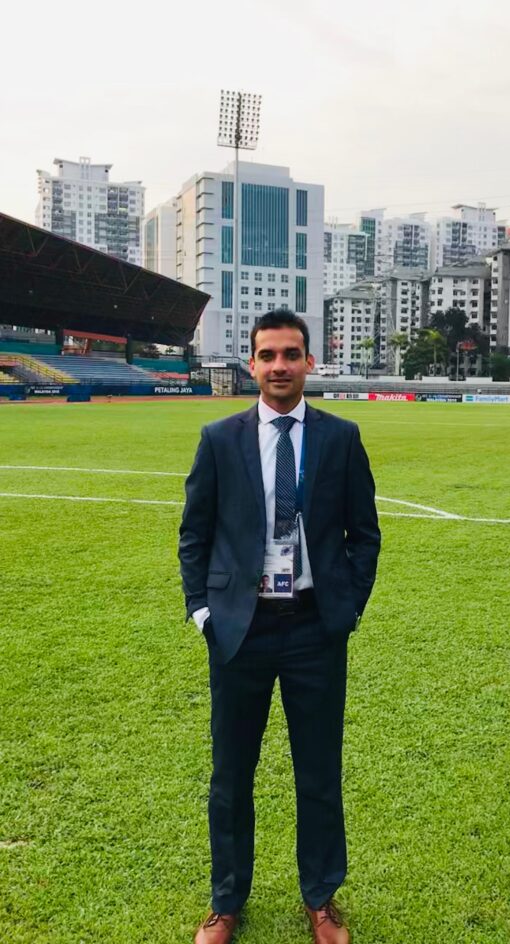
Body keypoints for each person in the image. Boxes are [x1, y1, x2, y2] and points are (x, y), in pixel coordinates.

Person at [179, 309, 380, 944]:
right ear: (252, 364)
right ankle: (226, 901)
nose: (280, 366)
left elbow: (364, 533)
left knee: (318, 772)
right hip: (239, 630)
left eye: (291, 354)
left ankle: (321, 898)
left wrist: (347, 608)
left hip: (315, 630)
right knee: (230, 775)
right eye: (267, 355)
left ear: (309, 362)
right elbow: (194, 533)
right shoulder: (220, 439)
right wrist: (202, 610)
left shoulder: (341, 438)